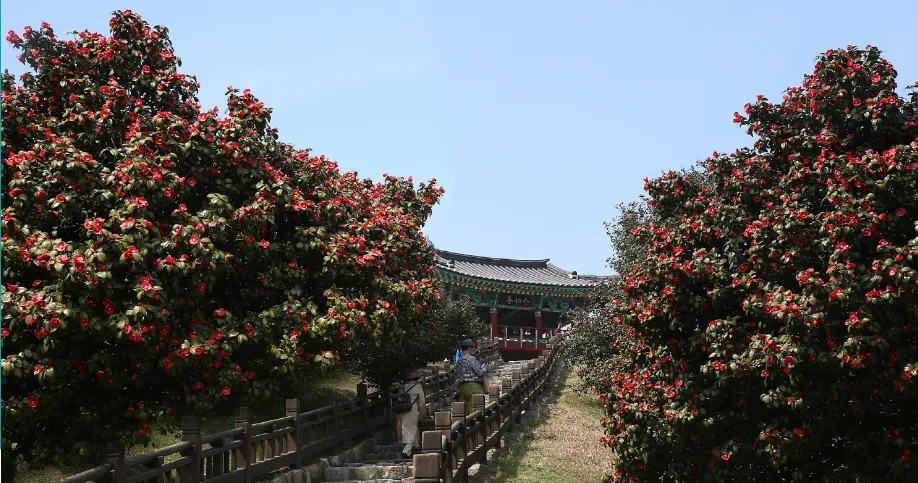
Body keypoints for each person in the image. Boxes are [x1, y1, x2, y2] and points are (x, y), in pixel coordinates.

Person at [397, 368, 427, 459]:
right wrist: (422, 412)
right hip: (412, 410)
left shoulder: (403, 387)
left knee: (406, 428)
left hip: (402, 409)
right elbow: (422, 401)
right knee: (412, 429)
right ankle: (406, 451)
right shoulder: (417, 387)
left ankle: (416, 446)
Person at [456, 339, 486, 414]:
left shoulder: (459, 360)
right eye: (473, 348)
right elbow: (480, 372)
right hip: (473, 387)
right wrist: (484, 368)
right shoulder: (471, 358)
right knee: (476, 411)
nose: (474, 350)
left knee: (465, 412)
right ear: (469, 348)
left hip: (462, 387)